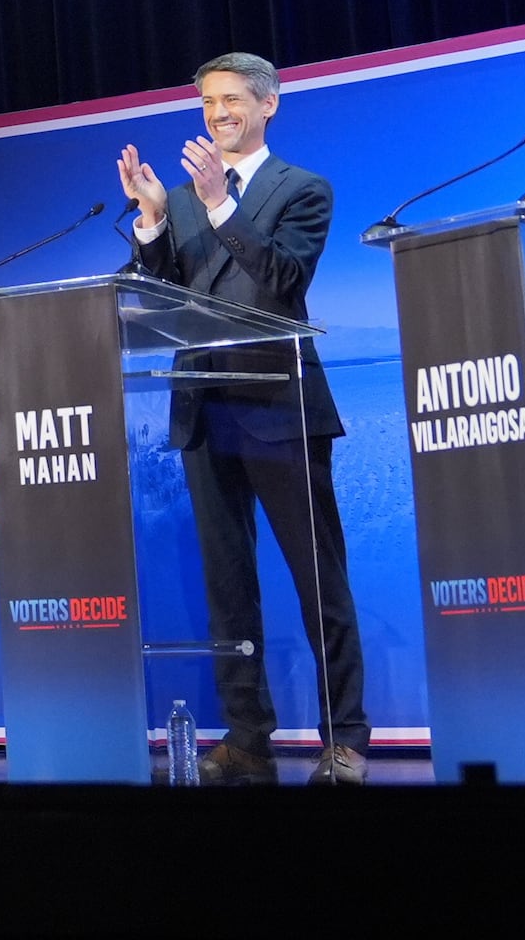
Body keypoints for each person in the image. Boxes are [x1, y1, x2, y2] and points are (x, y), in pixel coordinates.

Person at [116, 52, 370, 786]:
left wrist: (221, 203)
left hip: (279, 408)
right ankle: (247, 737)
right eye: (206, 102)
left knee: (318, 579)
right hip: (205, 407)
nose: (217, 113)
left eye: (230, 99)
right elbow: (163, 298)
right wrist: (154, 221)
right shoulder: (186, 197)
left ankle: (345, 737)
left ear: (267, 106)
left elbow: (283, 280)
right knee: (228, 585)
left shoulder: (303, 189)